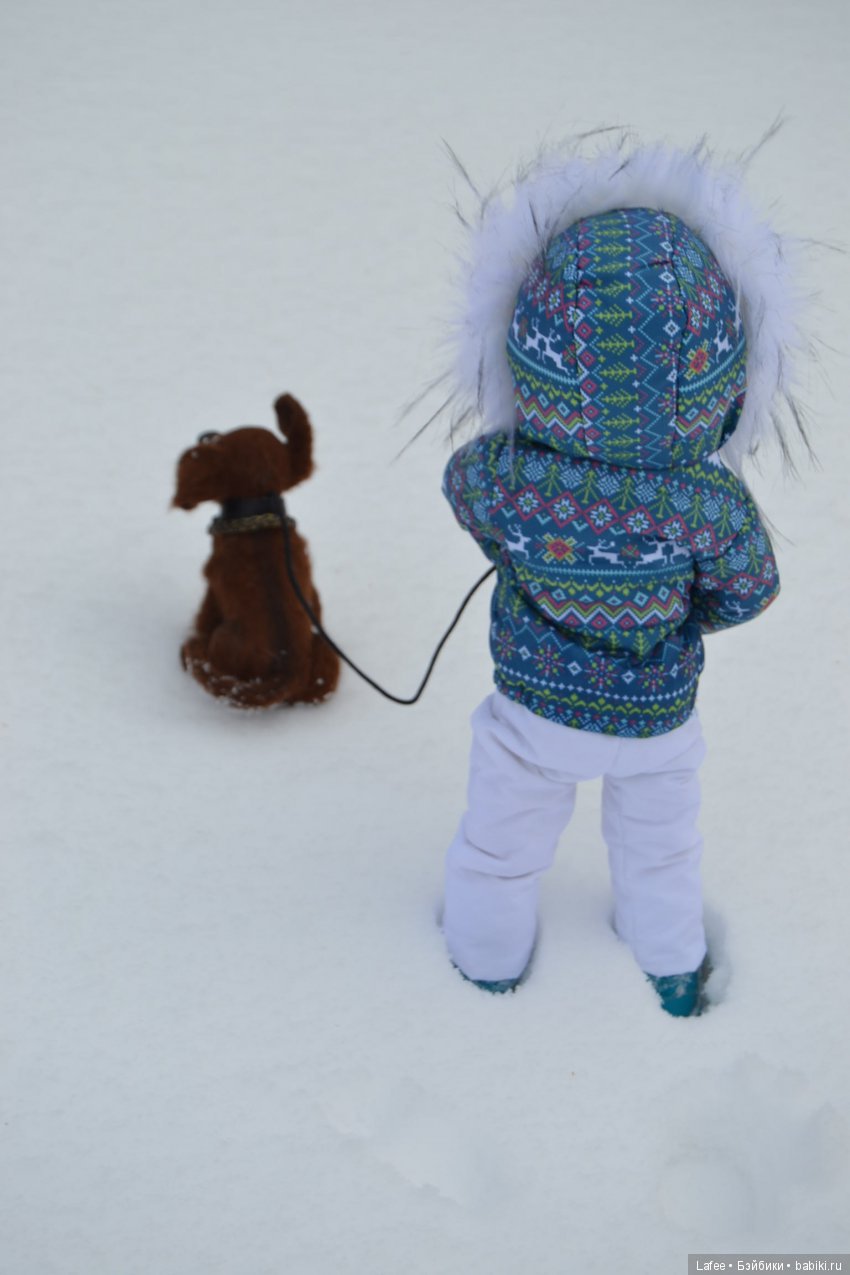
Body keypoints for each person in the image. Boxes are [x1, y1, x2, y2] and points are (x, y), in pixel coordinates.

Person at [439, 139, 807, 1016]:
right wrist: (684, 617)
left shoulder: (509, 474)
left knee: (500, 846)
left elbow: (463, 495)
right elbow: (751, 586)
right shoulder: (707, 504)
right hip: (658, 718)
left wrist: (527, 558)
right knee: (661, 849)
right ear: (721, 370)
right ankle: (672, 964)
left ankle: (484, 961)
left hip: (534, 707)